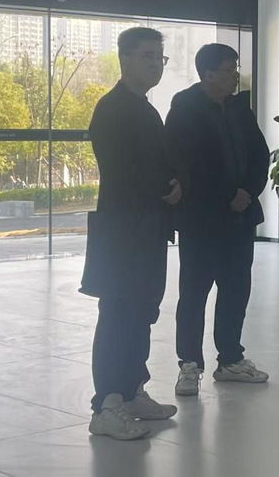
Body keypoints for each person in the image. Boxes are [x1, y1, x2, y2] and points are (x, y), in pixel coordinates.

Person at [82, 27, 181, 440]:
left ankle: (131, 390)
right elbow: (122, 170)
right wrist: (164, 187)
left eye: (160, 57)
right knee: (118, 313)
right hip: (122, 229)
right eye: (147, 56)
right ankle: (106, 404)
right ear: (124, 60)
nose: (156, 64)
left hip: (149, 227)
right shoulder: (111, 110)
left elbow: (160, 161)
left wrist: (174, 183)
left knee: (143, 311)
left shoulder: (146, 109)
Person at [166, 43, 270, 396]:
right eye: (229, 69)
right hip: (202, 219)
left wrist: (247, 192)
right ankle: (189, 364)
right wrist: (228, 195)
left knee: (235, 289)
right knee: (194, 293)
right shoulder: (185, 108)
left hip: (240, 219)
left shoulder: (240, 108)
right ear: (208, 73)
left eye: (235, 68)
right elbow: (187, 163)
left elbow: (259, 155)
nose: (235, 76)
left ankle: (230, 359)